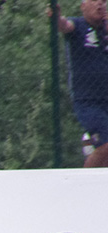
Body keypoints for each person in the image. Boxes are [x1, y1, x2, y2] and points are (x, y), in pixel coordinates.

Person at [51, 0, 108, 166]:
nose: (100, 5)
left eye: (103, 2)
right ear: (83, 6)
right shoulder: (78, 25)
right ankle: (83, 178)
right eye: (95, 1)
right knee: (106, 145)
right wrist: (56, 17)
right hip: (88, 101)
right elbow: (64, 26)